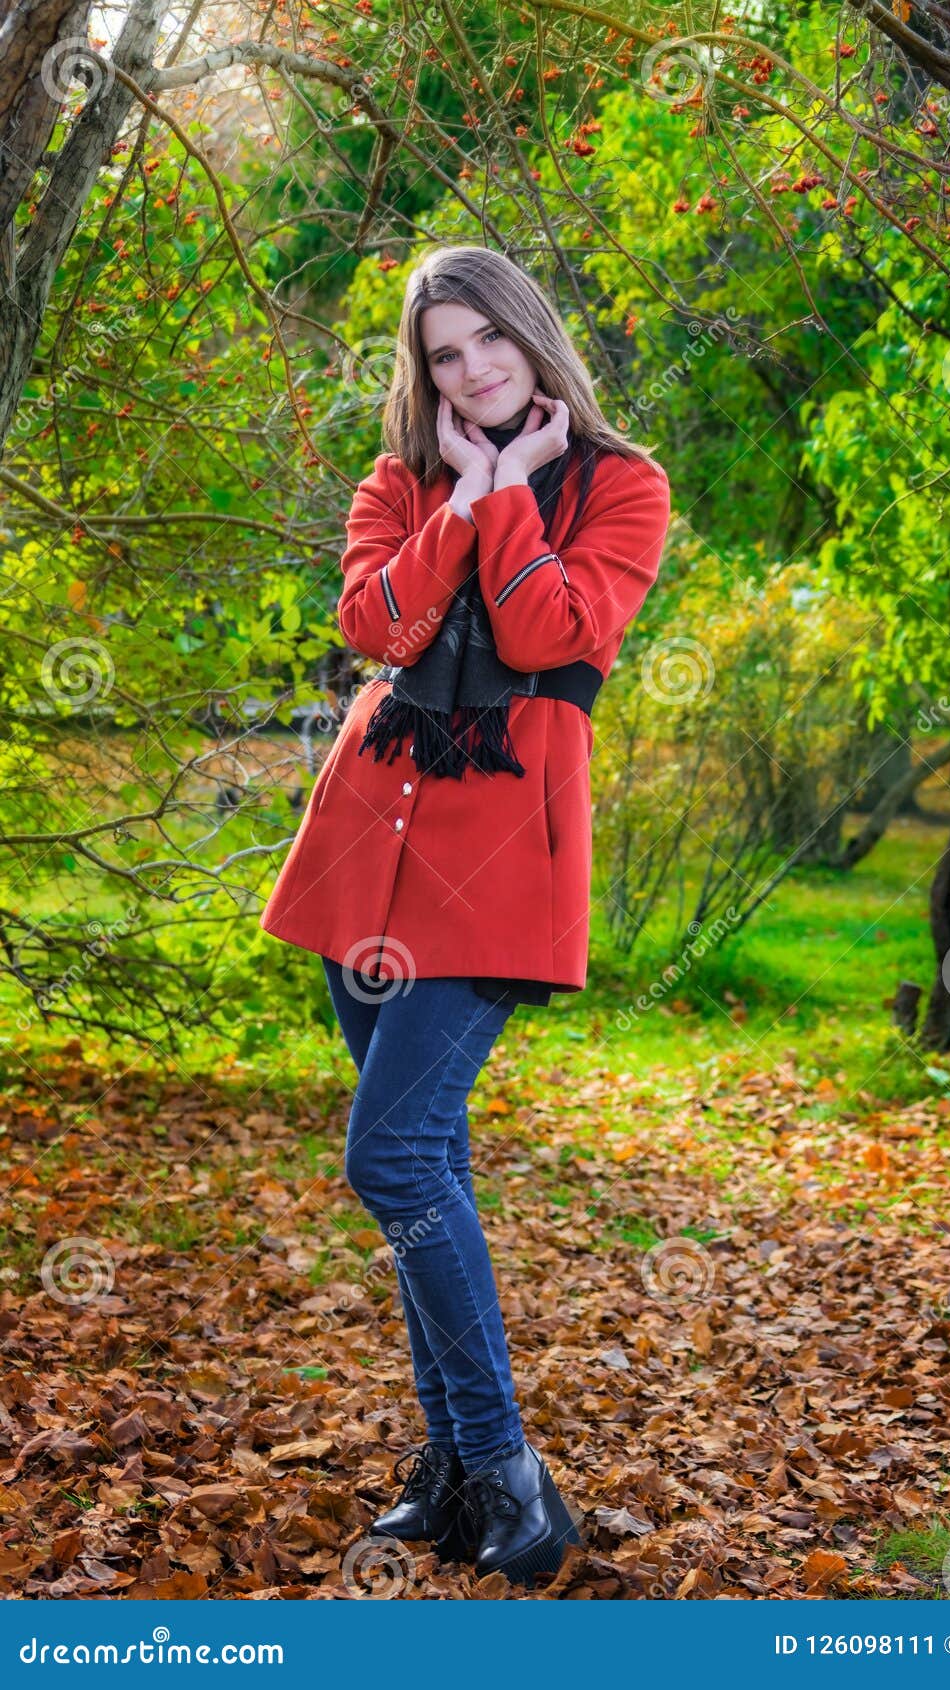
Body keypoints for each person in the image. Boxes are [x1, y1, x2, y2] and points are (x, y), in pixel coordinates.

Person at [259, 244, 671, 1585]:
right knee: (422, 1166)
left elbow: (552, 633)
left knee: (390, 1155)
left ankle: (506, 1472)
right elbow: (377, 620)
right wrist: (467, 492)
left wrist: (504, 503)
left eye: (488, 339)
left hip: (495, 875)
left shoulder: (623, 484)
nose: (472, 368)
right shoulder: (401, 478)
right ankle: (446, 1476)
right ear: (421, 370)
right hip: (359, 855)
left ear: (531, 337)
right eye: (443, 353)